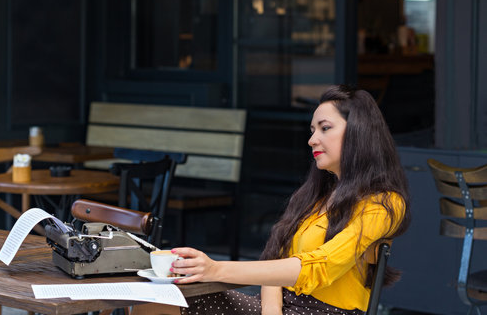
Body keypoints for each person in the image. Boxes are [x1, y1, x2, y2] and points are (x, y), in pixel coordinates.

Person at [170, 85, 411, 315]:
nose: (312, 140)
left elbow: (321, 266)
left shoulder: (383, 203)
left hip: (327, 312)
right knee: (174, 295)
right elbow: (276, 259)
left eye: (324, 128)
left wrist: (216, 269)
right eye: (312, 130)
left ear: (359, 131)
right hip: (278, 307)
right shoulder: (319, 194)